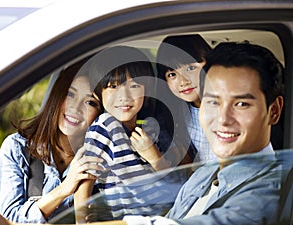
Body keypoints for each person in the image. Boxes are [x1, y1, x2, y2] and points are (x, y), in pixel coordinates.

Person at [103, 41, 287, 225]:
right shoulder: (204, 174)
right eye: (213, 102)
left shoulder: (268, 193)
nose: (222, 119)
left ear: (274, 111)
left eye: (241, 104)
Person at [74, 46, 188, 222]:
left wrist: (154, 156)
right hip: (130, 220)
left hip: (170, 215)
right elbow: (85, 181)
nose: (124, 96)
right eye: (113, 87)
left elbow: (170, 180)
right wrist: (81, 220)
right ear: (99, 92)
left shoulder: (150, 127)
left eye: (134, 85)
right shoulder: (105, 126)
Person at [0, 58, 104, 223]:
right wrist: (63, 190)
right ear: (56, 95)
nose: (75, 107)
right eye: (70, 94)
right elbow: (7, 219)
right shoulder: (17, 148)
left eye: (90, 102)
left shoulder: (103, 158)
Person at [156, 34, 217, 163]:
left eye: (190, 68)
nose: (183, 81)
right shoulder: (178, 115)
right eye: (172, 74)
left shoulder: (228, 109)